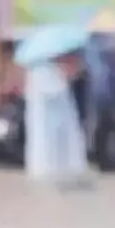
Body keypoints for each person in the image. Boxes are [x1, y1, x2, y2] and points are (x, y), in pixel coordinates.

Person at [23, 54, 89, 186]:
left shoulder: (33, 58)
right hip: (53, 90)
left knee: (43, 132)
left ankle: (45, 167)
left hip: (44, 91)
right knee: (60, 132)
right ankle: (63, 165)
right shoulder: (56, 53)